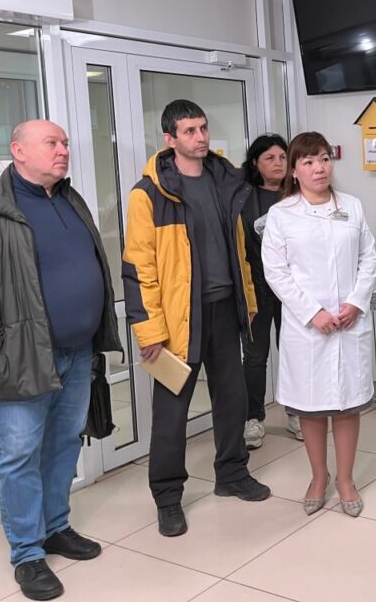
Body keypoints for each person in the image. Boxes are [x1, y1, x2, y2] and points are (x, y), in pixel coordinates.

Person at [0, 120, 122, 601]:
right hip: (19, 357)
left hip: (77, 351)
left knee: (64, 444)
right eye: (52, 143)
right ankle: (27, 553)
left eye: (65, 142)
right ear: (19, 150)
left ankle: (55, 527)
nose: (63, 150)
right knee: (19, 455)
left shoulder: (69, 198)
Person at [123, 99, 270, 539]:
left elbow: (240, 250)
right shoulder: (148, 193)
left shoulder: (225, 181)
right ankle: (168, 498)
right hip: (176, 320)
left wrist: (248, 300)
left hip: (225, 309)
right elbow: (138, 268)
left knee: (232, 399)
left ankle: (232, 473)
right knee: (171, 414)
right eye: (189, 131)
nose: (200, 137)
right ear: (169, 139)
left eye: (203, 128)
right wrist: (148, 329)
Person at [261, 132, 376, 517]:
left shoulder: (352, 207)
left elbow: (368, 258)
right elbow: (276, 272)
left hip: (348, 323)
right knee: (311, 408)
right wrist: (313, 313)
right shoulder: (281, 215)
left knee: (346, 405)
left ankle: (345, 480)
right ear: (294, 171)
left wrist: (355, 303)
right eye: (308, 162)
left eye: (324, 159)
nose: (319, 168)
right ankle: (318, 477)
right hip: (307, 328)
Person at [239, 133, 303, 448]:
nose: (278, 164)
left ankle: (297, 413)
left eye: (282, 157)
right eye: (270, 158)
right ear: (255, 163)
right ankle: (253, 419)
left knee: (294, 350)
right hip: (257, 286)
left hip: (293, 287)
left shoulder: (298, 195)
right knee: (255, 355)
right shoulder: (242, 198)